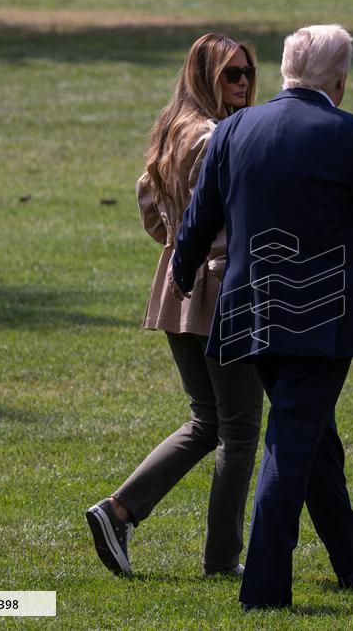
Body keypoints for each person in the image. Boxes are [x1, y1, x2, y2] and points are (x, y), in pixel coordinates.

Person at [170, 24, 353, 610]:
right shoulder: (352, 135)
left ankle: (351, 557)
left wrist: (182, 271)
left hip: (252, 313)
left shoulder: (234, 130)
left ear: (284, 71)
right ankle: (264, 590)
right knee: (292, 442)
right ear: (340, 82)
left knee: (312, 435)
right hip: (322, 321)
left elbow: (200, 214)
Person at [85, 33, 264, 578]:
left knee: (207, 420)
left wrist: (177, 244)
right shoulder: (214, 138)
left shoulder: (172, 130)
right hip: (221, 288)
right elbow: (232, 216)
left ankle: (118, 511)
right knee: (238, 429)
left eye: (248, 73)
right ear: (204, 76)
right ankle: (221, 559)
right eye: (231, 74)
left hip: (176, 289)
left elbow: (150, 208)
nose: (243, 83)